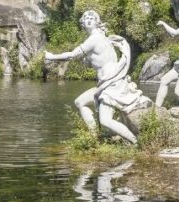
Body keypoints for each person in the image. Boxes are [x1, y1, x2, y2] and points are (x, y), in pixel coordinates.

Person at [45, 10, 150, 143]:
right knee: (80, 102)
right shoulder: (100, 38)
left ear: (97, 23)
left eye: (92, 18)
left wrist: (51, 57)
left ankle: (136, 143)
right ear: (82, 23)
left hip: (111, 83)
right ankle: (95, 138)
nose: (89, 20)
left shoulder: (95, 38)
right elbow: (93, 61)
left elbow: (72, 55)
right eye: (86, 18)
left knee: (105, 120)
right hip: (104, 83)